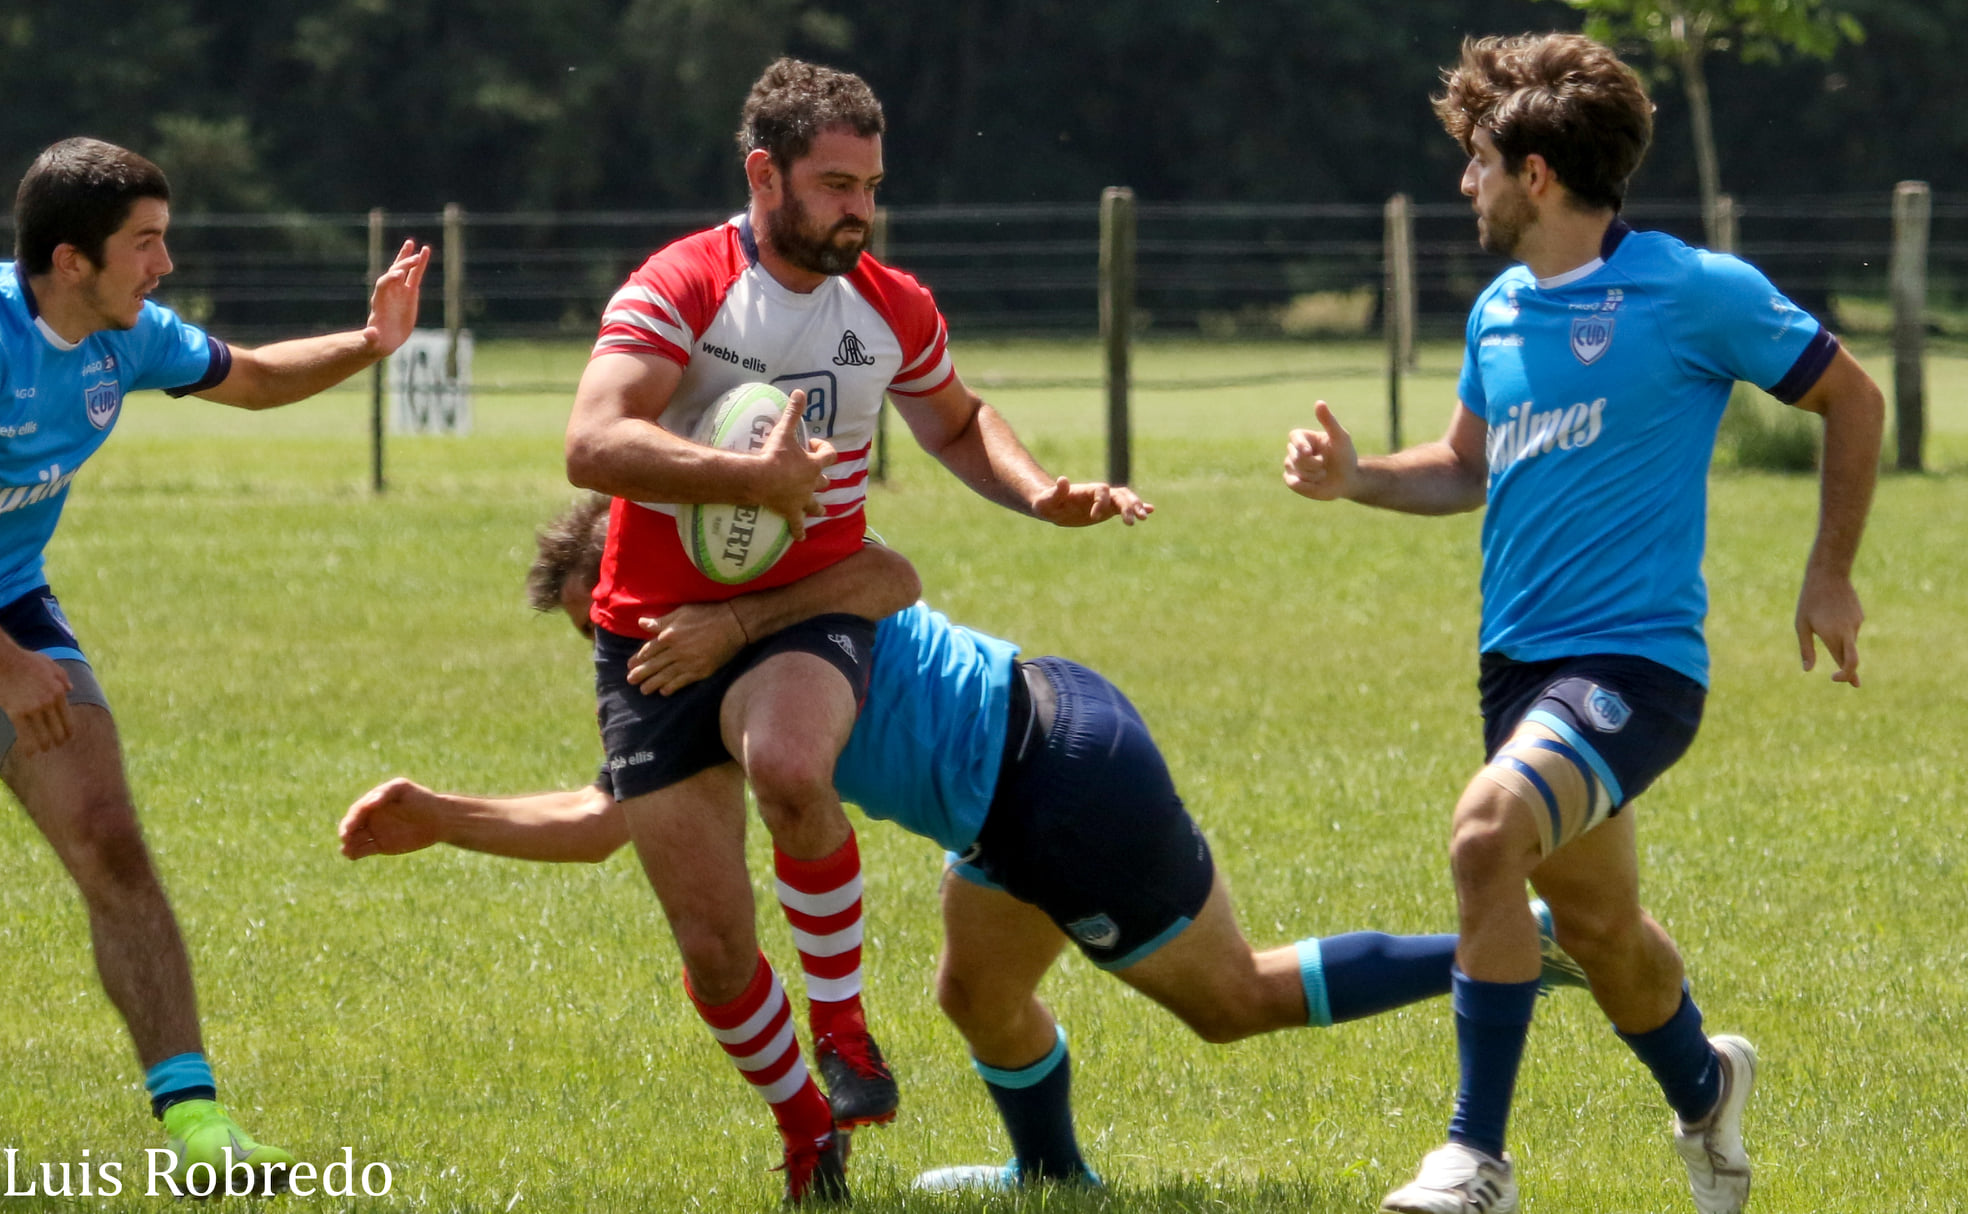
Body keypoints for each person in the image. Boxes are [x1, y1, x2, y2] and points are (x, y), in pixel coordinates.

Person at [340, 498, 1587, 1199]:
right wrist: (443, 815)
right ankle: (1053, 1176)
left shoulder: (754, 605)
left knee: (1232, 999)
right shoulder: (691, 672)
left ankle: (1521, 941)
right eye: (604, 642)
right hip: (1011, 779)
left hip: (1055, 776)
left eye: (626, 625)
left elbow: (627, 812)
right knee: (975, 990)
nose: (628, 660)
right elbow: (624, 818)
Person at [1283, 34, 1883, 1214]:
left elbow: (1849, 393)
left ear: (1538, 172)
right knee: (1605, 930)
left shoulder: (1692, 290)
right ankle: (1708, 1085)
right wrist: (1357, 477)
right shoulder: (1500, 309)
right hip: (1516, 668)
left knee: (1483, 833)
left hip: (1635, 666)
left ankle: (1475, 1157)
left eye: (1477, 162)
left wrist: (1829, 572)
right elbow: (1463, 467)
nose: (1466, 184)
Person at [561, 57, 1147, 1199]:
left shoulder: (888, 304)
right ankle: (803, 1125)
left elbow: (961, 423)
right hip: (648, 629)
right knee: (716, 947)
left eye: (870, 185)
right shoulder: (683, 283)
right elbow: (592, 441)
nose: (858, 210)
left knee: (788, 761)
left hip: (812, 609)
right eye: (834, 183)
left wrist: (1040, 491)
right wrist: (745, 478)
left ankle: (846, 1029)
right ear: (762, 175)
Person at [0, 137, 430, 1189]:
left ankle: (199, 1126)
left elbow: (255, 374)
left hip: (12, 599)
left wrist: (374, 340)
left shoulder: (122, 338)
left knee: (111, 841)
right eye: (145, 244)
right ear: (70, 259)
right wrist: (4, 664)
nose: (165, 265)